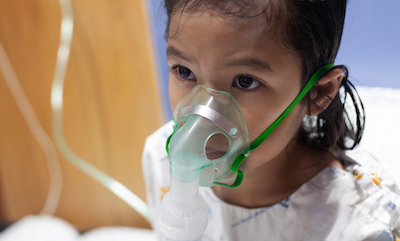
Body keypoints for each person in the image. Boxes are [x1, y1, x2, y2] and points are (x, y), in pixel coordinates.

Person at [142, 0, 400, 240]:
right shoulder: (160, 160)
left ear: (317, 93)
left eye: (246, 81)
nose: (205, 112)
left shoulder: (357, 225)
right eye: (184, 71)